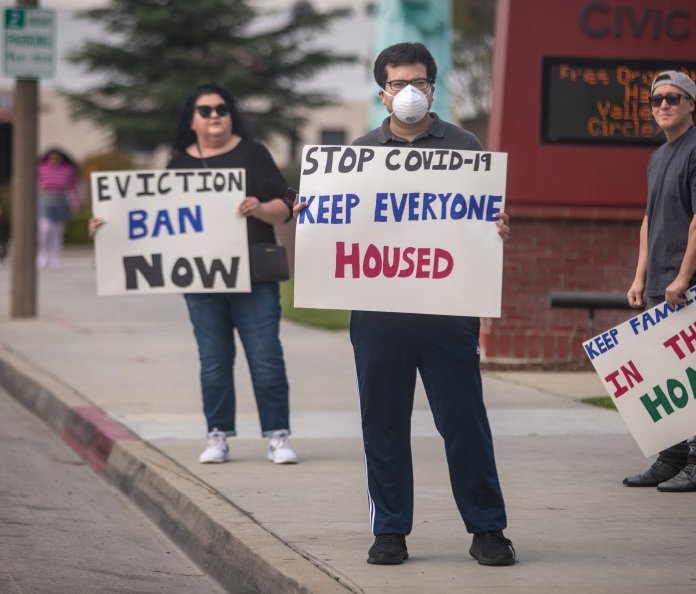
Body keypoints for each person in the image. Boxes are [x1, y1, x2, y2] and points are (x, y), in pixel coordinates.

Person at [300, 42, 515, 566]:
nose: (409, 92)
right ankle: (390, 530)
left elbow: (480, 218)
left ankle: (487, 529)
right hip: (379, 312)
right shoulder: (357, 153)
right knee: (384, 421)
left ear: (433, 88)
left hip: (447, 310)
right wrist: (316, 216)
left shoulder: (464, 145)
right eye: (398, 84)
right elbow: (341, 225)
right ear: (382, 93)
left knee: (464, 421)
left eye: (418, 82)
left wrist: (497, 230)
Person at [90, 82, 298, 465]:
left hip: (254, 277)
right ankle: (217, 435)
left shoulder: (253, 154)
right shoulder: (178, 162)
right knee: (213, 361)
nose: (215, 115)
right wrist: (109, 227)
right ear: (192, 120)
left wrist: (259, 209)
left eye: (222, 108)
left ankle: (277, 435)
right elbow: (155, 219)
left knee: (266, 358)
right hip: (201, 280)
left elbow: (286, 204)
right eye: (205, 110)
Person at [623, 70, 696, 493]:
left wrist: (684, 276)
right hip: (660, 285)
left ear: (692, 104)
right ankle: (671, 457)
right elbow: (649, 220)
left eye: (672, 98)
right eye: (656, 100)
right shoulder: (659, 155)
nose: (663, 105)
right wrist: (640, 276)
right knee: (665, 375)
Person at [37, 148, 80, 270]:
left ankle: (55, 257)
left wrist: (75, 203)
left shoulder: (68, 170)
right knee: (45, 228)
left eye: (57, 158)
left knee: (57, 231)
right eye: (52, 158)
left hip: (61, 200)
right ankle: (43, 253)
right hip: (45, 199)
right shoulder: (41, 168)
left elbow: (73, 187)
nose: (55, 160)